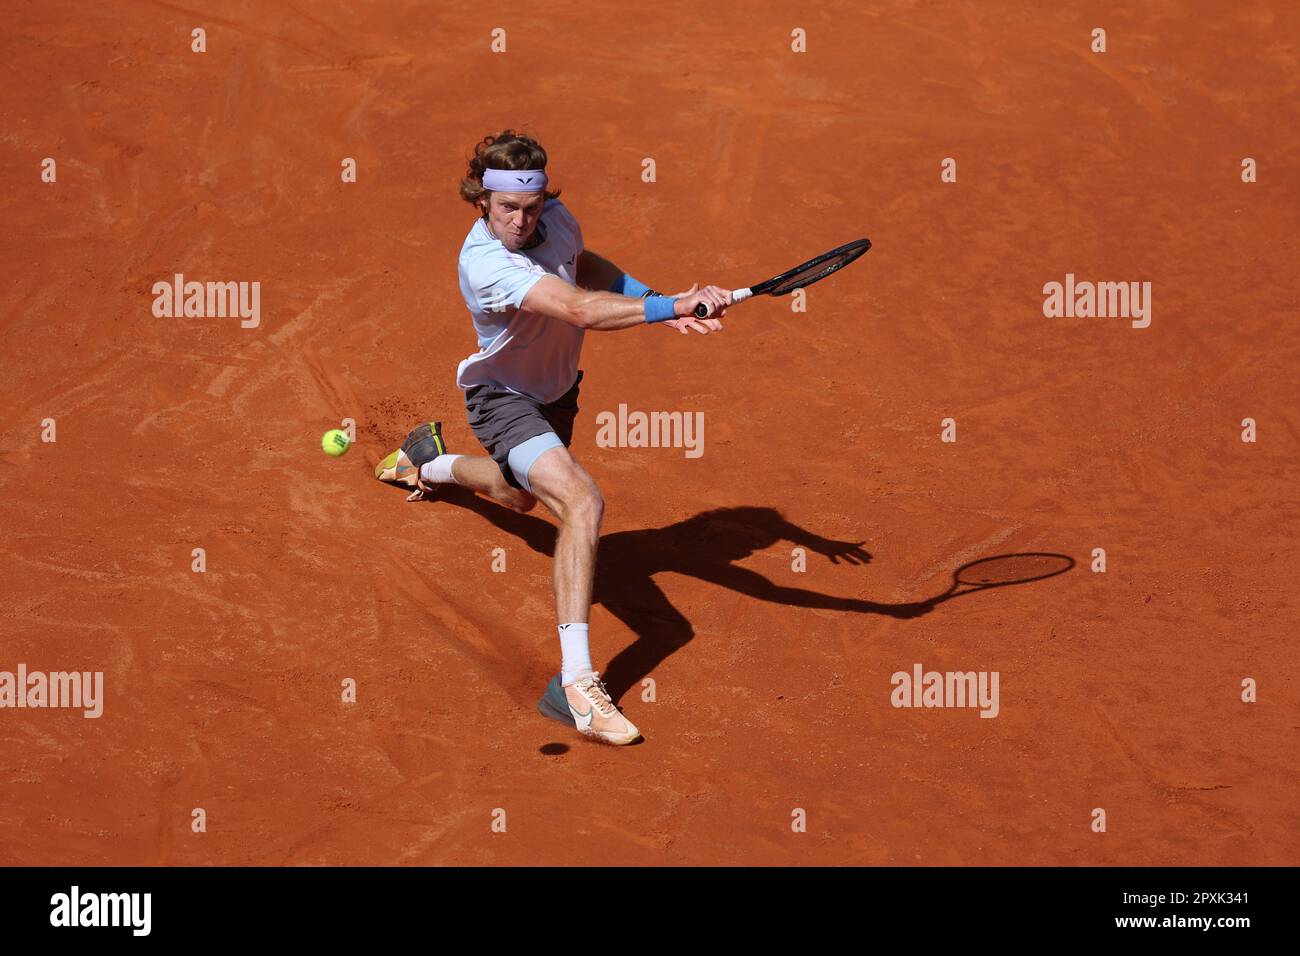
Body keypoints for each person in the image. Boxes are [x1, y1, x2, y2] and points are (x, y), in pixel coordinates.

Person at [376, 130, 732, 745]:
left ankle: (427, 462)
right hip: (502, 400)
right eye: (506, 207)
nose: (519, 219)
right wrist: (673, 306)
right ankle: (574, 688)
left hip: (556, 393)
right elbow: (578, 309)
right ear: (482, 201)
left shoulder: (557, 219)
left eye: (530, 207)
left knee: (519, 497)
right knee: (582, 500)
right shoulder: (485, 262)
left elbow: (582, 266)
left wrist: (650, 298)